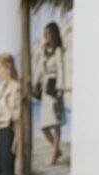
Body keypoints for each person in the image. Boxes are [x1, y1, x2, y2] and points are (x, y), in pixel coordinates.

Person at [34, 22, 66, 166]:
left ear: (53, 34)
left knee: (56, 124)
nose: (46, 36)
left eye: (48, 33)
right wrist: (35, 84)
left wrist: (60, 87)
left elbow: (61, 69)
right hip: (45, 90)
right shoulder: (45, 51)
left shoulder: (58, 50)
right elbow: (39, 69)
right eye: (44, 34)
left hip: (54, 88)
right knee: (44, 126)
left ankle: (53, 155)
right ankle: (56, 149)